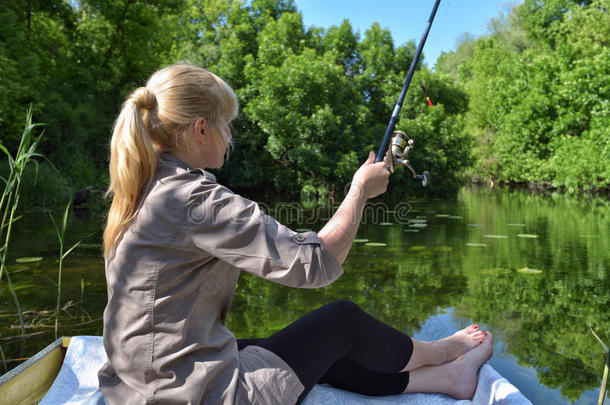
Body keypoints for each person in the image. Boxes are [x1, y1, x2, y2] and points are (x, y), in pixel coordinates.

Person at [99, 63, 493, 405]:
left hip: (133, 389)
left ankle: (446, 379)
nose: (229, 136)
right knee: (342, 322)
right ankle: (439, 353)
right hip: (186, 396)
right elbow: (316, 263)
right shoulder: (196, 200)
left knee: (294, 348)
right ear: (201, 129)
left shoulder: (141, 187)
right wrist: (359, 192)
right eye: (225, 125)